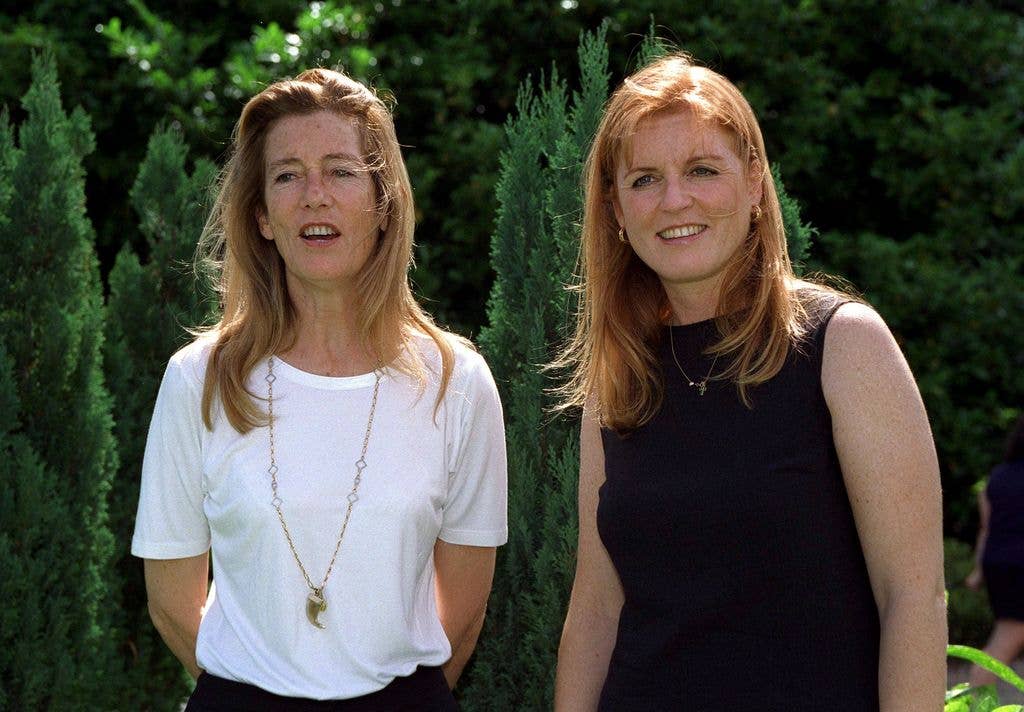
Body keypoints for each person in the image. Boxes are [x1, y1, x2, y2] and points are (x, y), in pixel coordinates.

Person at [552, 53, 946, 710]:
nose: (675, 200)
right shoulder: (616, 377)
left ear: (756, 185)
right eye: (644, 179)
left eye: (702, 170)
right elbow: (595, 610)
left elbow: (913, 599)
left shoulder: (843, 346)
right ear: (616, 210)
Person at [131, 68, 507, 711]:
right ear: (263, 218)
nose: (314, 196)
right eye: (287, 175)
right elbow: (171, 603)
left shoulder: (458, 383)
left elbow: (464, 616)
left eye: (340, 170)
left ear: (383, 203)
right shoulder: (198, 380)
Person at [966, 415, 1024, 688]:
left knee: (1007, 635)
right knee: (1009, 638)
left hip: (998, 564)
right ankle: (973, 701)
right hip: (1019, 565)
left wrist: (978, 571)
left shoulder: (998, 477)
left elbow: (987, 529)